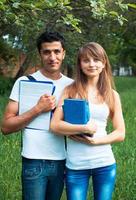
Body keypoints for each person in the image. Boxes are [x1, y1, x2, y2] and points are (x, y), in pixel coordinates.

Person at [1, 31, 74, 200]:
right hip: (33, 160)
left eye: (56, 51)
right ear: (40, 54)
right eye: (46, 52)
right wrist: (38, 109)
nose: (52, 57)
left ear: (64, 53)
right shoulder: (24, 82)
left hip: (61, 160)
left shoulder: (71, 86)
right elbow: (5, 127)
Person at [50, 42, 125, 200]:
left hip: (104, 164)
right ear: (80, 64)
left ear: (104, 63)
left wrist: (96, 142)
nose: (92, 64)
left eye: (96, 60)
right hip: (76, 166)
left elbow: (120, 133)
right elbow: (55, 125)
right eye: (86, 60)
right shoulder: (70, 91)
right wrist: (83, 128)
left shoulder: (112, 95)